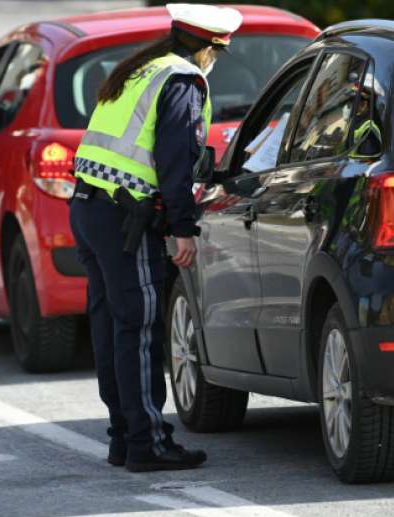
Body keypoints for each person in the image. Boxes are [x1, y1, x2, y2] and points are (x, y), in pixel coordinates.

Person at [70, 3, 242, 472]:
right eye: (217, 55)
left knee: (111, 326)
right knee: (140, 330)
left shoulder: (138, 69)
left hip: (88, 208)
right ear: (209, 47)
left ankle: (124, 437)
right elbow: (175, 160)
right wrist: (183, 227)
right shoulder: (183, 79)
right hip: (126, 218)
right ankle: (149, 443)